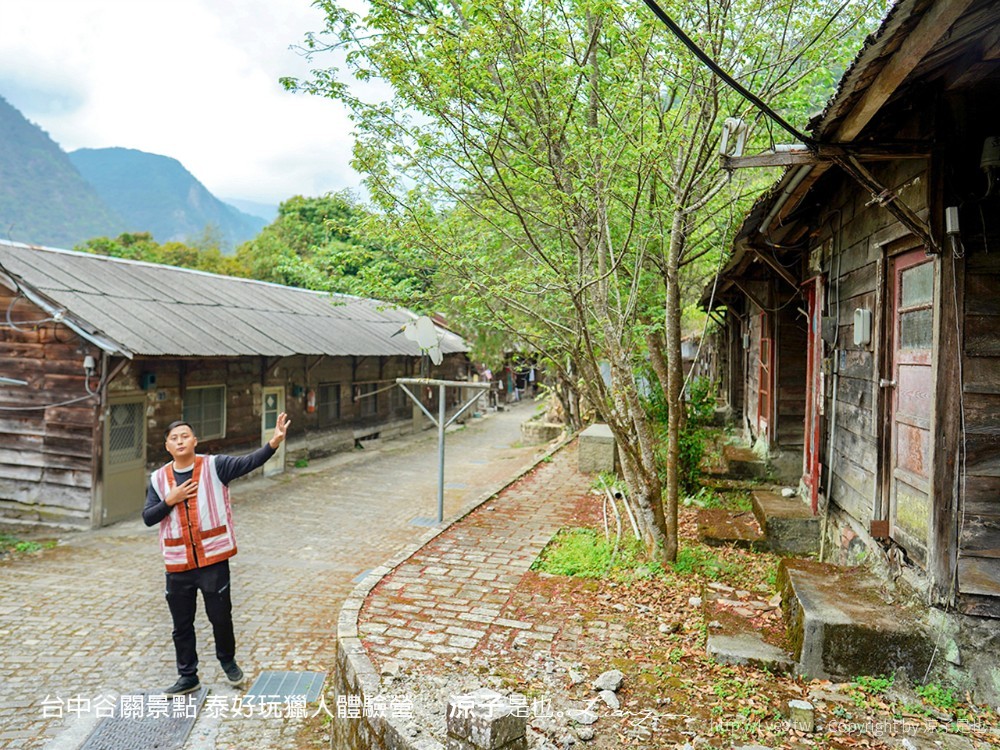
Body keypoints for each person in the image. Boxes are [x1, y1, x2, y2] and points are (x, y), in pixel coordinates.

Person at [142, 413, 290, 697]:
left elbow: (250, 461)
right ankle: (188, 676)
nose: (180, 441)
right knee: (181, 625)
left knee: (220, 617)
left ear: (195, 441)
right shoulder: (158, 479)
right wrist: (169, 500)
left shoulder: (215, 466)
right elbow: (148, 517)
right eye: (174, 438)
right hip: (178, 563)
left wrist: (273, 442)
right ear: (167, 447)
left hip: (213, 559)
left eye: (185, 436)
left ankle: (228, 661)